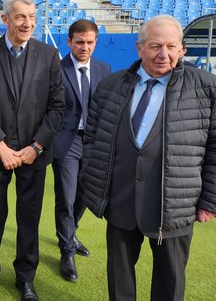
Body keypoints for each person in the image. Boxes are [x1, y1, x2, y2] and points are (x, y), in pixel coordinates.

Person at [82, 15, 216, 301]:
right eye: (155, 46)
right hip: (121, 200)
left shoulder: (207, 88)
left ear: (182, 50)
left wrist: (209, 200)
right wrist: (91, 183)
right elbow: (92, 139)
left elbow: (215, 148)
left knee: (170, 281)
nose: (163, 54)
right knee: (119, 280)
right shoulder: (111, 86)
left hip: (174, 205)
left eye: (171, 46)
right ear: (139, 47)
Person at [0, 0, 65, 301]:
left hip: (33, 156)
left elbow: (57, 108)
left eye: (32, 17)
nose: (28, 23)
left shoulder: (49, 55)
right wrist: (1, 146)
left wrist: (35, 147)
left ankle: (25, 278)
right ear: (5, 19)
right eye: (21, 16)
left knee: (29, 218)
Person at [51, 19, 111, 282]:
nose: (85, 47)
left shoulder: (103, 69)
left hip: (94, 142)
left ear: (96, 42)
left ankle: (70, 233)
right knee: (66, 195)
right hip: (66, 140)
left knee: (85, 195)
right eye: (80, 42)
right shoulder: (55, 68)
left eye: (89, 42)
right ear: (69, 42)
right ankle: (67, 251)